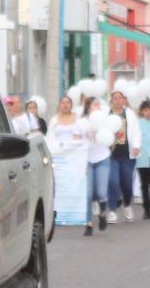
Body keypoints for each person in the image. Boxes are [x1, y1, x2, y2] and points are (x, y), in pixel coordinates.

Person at [47, 96, 92, 236]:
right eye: (63, 103)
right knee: (60, 185)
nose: (65, 105)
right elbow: (50, 138)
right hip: (59, 157)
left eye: (68, 103)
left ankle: (78, 214)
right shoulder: (54, 120)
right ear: (59, 105)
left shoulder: (78, 119)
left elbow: (84, 136)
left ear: (71, 105)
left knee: (76, 183)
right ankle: (58, 213)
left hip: (75, 156)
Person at [82, 96, 116, 233]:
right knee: (88, 194)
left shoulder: (105, 121)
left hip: (103, 158)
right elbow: (77, 139)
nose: (98, 107)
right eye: (95, 104)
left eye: (99, 105)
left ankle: (102, 214)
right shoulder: (83, 122)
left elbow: (112, 139)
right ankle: (88, 223)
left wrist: (111, 142)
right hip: (87, 161)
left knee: (101, 192)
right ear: (88, 107)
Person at [107, 88, 139, 216]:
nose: (118, 100)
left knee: (127, 183)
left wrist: (136, 146)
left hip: (127, 155)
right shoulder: (107, 114)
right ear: (111, 100)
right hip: (111, 155)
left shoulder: (129, 114)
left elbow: (136, 131)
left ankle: (126, 204)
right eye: (115, 98)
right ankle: (112, 210)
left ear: (124, 100)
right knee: (113, 181)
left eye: (120, 98)